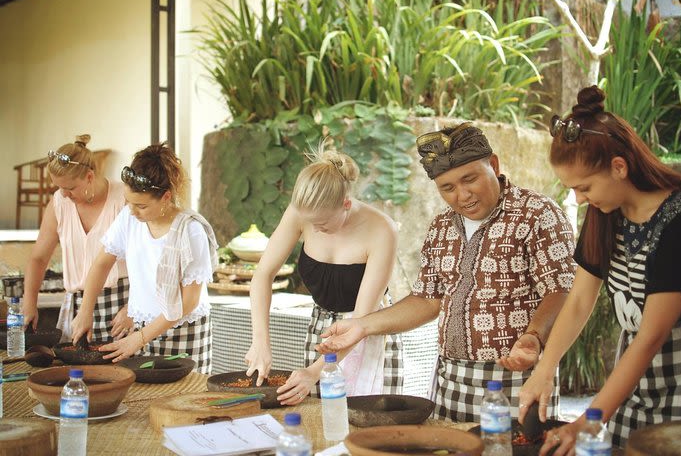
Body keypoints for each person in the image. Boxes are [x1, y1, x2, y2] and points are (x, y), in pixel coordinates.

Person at [317, 122, 577, 422]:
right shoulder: (441, 227)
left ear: (493, 165)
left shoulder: (537, 214)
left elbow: (562, 290)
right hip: (451, 379)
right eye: (448, 188)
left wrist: (534, 337)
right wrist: (361, 326)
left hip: (518, 378)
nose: (462, 195)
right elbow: (427, 300)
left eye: (470, 179)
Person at [517, 86, 681, 454]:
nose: (579, 199)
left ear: (619, 167)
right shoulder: (605, 214)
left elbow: (651, 337)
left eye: (584, 187)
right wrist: (544, 368)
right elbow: (579, 300)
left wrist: (587, 421)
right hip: (634, 387)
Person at [244, 142, 404, 405]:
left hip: (369, 333)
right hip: (322, 331)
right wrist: (260, 341)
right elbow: (263, 275)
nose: (315, 230)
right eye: (310, 223)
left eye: (322, 223)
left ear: (346, 203)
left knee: (368, 426)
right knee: (320, 420)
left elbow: (361, 321)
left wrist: (315, 372)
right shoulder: (302, 212)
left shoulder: (381, 230)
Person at [70, 143, 218, 374]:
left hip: (183, 332)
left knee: (184, 402)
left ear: (166, 197)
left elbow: (188, 302)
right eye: (129, 202)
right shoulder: (129, 219)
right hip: (141, 329)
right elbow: (101, 263)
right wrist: (85, 311)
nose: (132, 211)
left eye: (141, 205)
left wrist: (139, 338)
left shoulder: (191, 231)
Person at [22, 134, 133, 343]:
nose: (63, 194)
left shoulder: (124, 199)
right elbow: (38, 258)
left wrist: (134, 307)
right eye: (58, 187)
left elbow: (148, 259)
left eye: (70, 188)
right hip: (77, 308)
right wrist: (29, 301)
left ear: (89, 176)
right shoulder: (59, 204)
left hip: (122, 306)